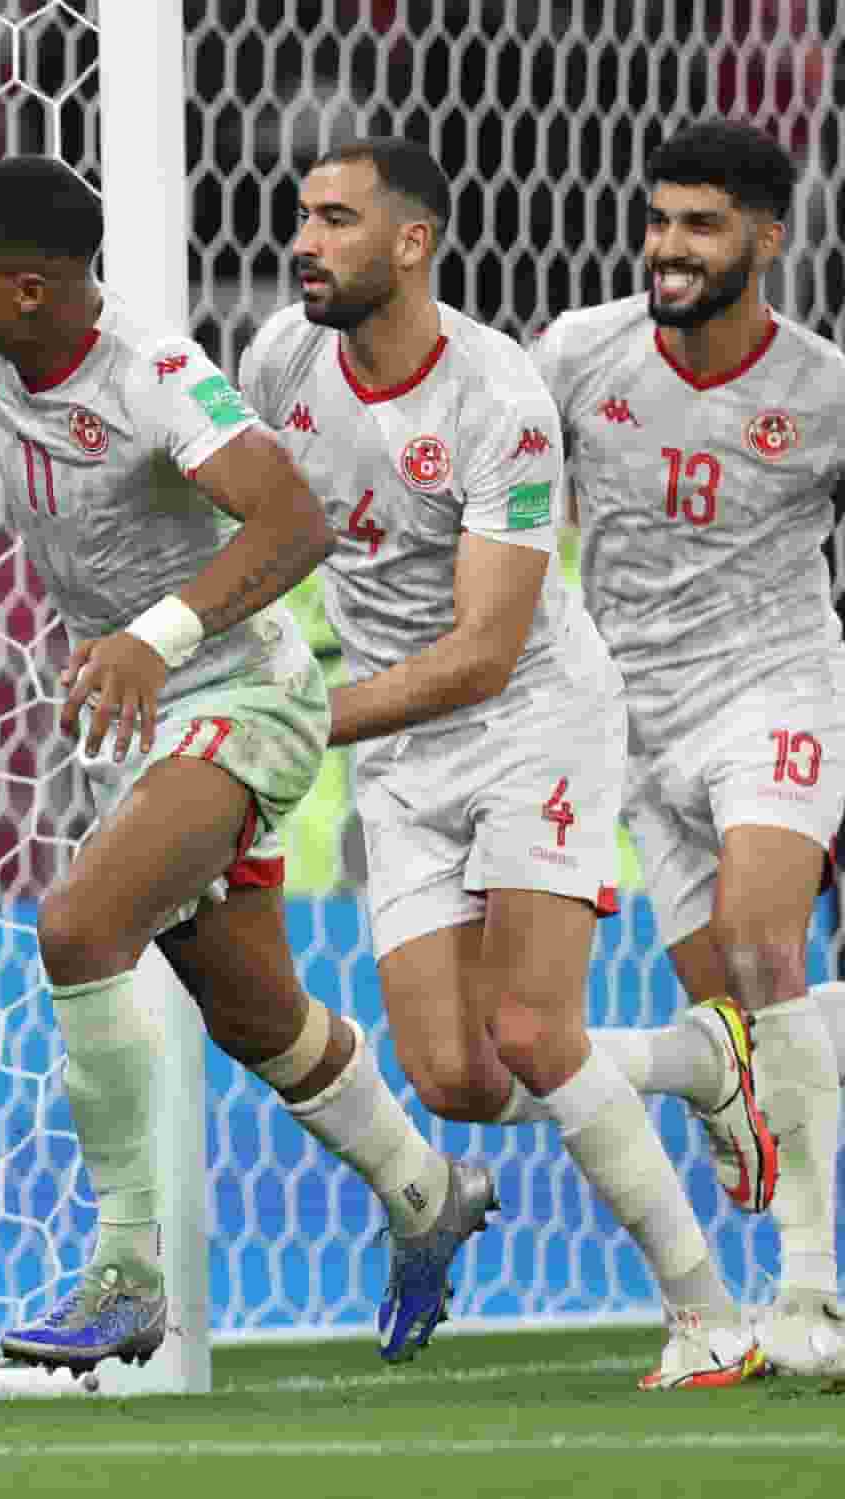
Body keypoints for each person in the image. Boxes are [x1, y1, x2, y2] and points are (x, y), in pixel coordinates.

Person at [0, 156, 486, 1372]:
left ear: (29, 291)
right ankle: (425, 1190)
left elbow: (294, 520)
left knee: (78, 927)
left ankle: (125, 1272)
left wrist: (158, 635)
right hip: (132, 714)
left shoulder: (151, 374)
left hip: (237, 692)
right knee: (258, 1017)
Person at [240, 136, 765, 1389]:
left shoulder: (500, 400)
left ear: (411, 242)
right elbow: (257, 528)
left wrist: (297, 722)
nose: (304, 241)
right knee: (456, 1080)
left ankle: (708, 1314)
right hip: (395, 745)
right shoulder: (278, 359)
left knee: (532, 1028)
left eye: (336, 219)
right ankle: (697, 1060)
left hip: (531, 719)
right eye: (302, 215)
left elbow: (482, 653)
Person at [533, 119, 845, 1376]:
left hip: (774, 689)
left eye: (701, 225)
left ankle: (811, 1295)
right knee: (736, 1026)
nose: (668, 247)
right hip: (629, 719)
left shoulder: (823, 391)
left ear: (766, 240)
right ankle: (722, 1085)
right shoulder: (577, 352)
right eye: (659, 219)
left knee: (767, 949)